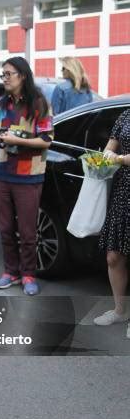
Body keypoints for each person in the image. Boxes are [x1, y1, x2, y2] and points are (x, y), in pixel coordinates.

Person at [0, 56, 53, 296]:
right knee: (5, 228)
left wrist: (17, 139)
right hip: (3, 172)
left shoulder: (39, 103)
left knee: (28, 232)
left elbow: (47, 140)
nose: (4, 78)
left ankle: (29, 275)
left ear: (23, 76)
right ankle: (11, 272)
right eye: (3, 74)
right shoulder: (1, 103)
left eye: (9, 74)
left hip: (29, 176)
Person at [94, 108, 130, 336]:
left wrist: (117, 159)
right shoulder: (127, 114)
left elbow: (118, 156)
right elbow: (111, 144)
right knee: (113, 256)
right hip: (123, 194)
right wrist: (106, 156)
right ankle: (120, 310)